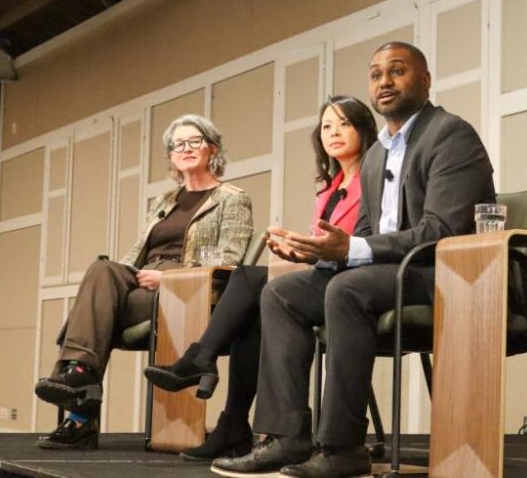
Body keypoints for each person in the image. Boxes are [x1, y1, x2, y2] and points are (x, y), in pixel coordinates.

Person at [212, 42, 495, 478]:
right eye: (376, 74)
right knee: (282, 292)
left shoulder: (450, 135)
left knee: (349, 287)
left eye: (397, 71)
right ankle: (286, 437)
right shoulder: (379, 152)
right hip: (386, 273)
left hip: (441, 274)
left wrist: (352, 251)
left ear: (424, 80)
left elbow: (442, 232)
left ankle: (343, 448)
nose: (384, 81)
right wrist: (316, 252)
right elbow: (361, 235)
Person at [143, 96, 377, 460]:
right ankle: (233, 423)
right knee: (255, 309)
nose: (334, 133)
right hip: (324, 276)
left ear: (363, 129)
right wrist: (296, 250)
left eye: (344, 124)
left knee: (250, 278)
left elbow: (362, 240)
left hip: (357, 281)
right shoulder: (328, 188)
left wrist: (314, 253)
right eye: (327, 126)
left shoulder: (375, 179)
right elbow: (323, 246)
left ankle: (203, 363)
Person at [33, 115, 253, 450]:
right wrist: (125, 279)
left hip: (188, 289)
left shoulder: (231, 198)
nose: (186, 149)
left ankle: (80, 409)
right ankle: (80, 374)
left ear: (212, 148)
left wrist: (168, 279)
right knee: (102, 271)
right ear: (171, 156)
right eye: (178, 144)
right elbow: (133, 256)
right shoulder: (165, 201)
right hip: (144, 280)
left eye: (195, 141)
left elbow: (229, 261)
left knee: (94, 315)